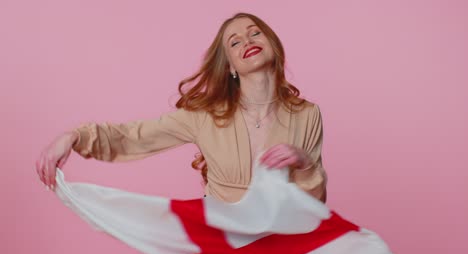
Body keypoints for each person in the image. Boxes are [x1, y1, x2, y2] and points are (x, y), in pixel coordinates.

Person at [36, 12, 328, 204]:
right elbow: (135, 136)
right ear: (230, 67)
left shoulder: (308, 114)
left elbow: (314, 202)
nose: (247, 42)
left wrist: (303, 163)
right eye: (235, 42)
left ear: (273, 46)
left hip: (282, 244)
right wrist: (74, 137)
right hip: (221, 242)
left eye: (255, 34)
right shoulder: (205, 116)